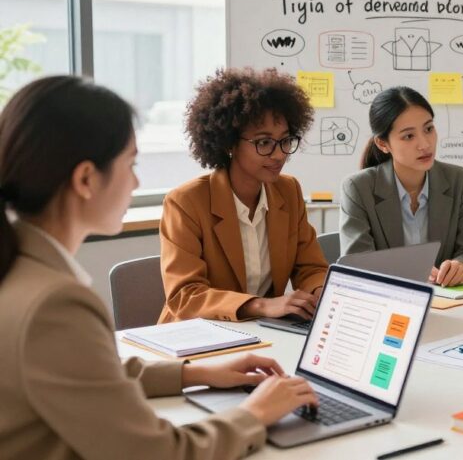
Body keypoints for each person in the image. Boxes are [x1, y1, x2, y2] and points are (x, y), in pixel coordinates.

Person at [0, 76, 317, 458]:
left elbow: (89, 375)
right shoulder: (55, 304)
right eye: (131, 164)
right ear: (86, 178)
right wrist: (255, 414)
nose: (136, 182)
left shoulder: (20, 272)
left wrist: (196, 373)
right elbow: (159, 453)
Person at [160, 68, 328, 322]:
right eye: (264, 142)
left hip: (262, 332)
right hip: (198, 335)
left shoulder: (288, 190)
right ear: (229, 144)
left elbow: (310, 267)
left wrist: (323, 293)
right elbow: (185, 296)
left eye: (285, 140)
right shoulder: (186, 202)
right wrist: (261, 306)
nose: (279, 154)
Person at [339, 86, 463, 287]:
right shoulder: (358, 188)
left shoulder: (458, 179)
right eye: (408, 136)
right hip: (388, 301)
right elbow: (357, 263)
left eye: (428, 129)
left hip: (448, 303)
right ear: (382, 144)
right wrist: (410, 272)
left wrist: (462, 266)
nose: (424, 144)